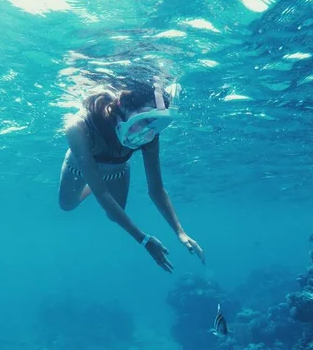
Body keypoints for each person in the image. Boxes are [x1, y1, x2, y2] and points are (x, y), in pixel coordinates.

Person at [58, 80, 205, 273]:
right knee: (67, 205)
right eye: (144, 120)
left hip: (117, 170)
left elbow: (156, 188)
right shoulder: (78, 126)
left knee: (114, 215)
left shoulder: (150, 130)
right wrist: (144, 240)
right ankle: (91, 180)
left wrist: (180, 232)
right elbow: (101, 193)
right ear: (123, 106)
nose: (147, 132)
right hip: (79, 167)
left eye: (154, 124)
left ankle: (93, 180)